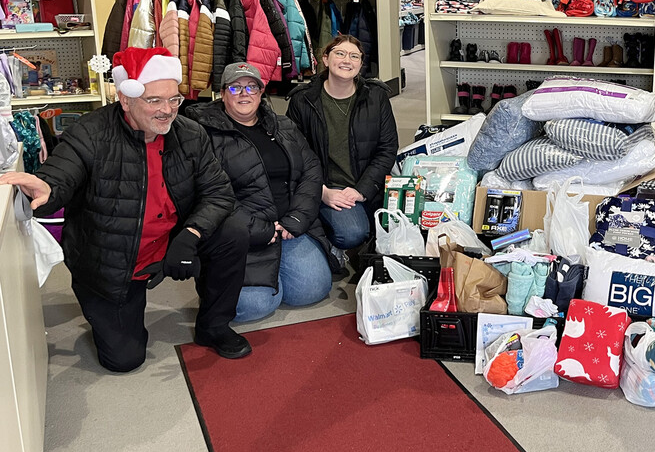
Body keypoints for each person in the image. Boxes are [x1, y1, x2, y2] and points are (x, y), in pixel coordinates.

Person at [0, 47, 250, 372]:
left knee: (233, 232)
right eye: (155, 100)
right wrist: (47, 187)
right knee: (124, 360)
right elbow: (62, 171)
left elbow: (219, 192)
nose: (168, 110)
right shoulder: (90, 133)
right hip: (113, 259)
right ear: (125, 97)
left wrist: (190, 235)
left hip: (172, 239)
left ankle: (214, 326)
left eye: (174, 99)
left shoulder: (190, 134)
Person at [187, 62, 334, 323]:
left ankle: (277, 269)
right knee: (253, 307)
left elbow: (311, 169)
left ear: (261, 92)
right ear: (222, 94)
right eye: (236, 87)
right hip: (244, 234)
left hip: (289, 225)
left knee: (312, 290)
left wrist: (297, 218)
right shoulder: (202, 135)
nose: (245, 93)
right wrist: (259, 230)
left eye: (252, 87)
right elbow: (208, 195)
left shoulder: (283, 125)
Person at [287, 35, 398, 264]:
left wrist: (361, 190)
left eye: (354, 56)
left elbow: (387, 149)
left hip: (365, 184)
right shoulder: (302, 101)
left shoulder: (376, 97)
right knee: (352, 233)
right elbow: (293, 155)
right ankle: (321, 231)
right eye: (340, 53)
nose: (347, 60)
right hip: (326, 185)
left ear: (360, 64)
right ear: (325, 60)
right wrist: (321, 191)